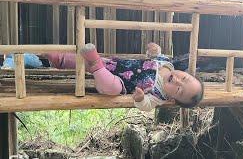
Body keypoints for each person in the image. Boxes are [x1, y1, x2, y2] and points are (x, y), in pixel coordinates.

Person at [44, 43, 204, 112]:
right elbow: (153, 56)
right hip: (118, 65)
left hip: (121, 83)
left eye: (179, 90)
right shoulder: (166, 63)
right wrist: (155, 49)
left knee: (111, 88)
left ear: (172, 100)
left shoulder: (159, 96)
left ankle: (95, 63)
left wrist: (141, 98)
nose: (177, 81)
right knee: (94, 63)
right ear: (185, 73)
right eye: (184, 78)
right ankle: (61, 60)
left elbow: (146, 106)